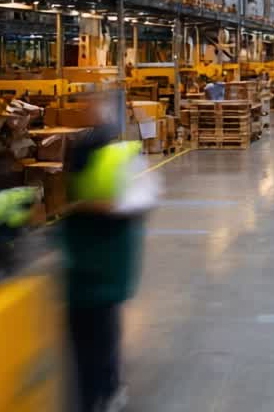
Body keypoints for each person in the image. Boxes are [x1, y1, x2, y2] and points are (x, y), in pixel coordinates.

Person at [63, 127, 152, 412]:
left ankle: (99, 393)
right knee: (101, 337)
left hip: (88, 288)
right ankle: (105, 389)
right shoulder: (114, 216)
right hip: (96, 287)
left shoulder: (86, 217)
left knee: (91, 342)